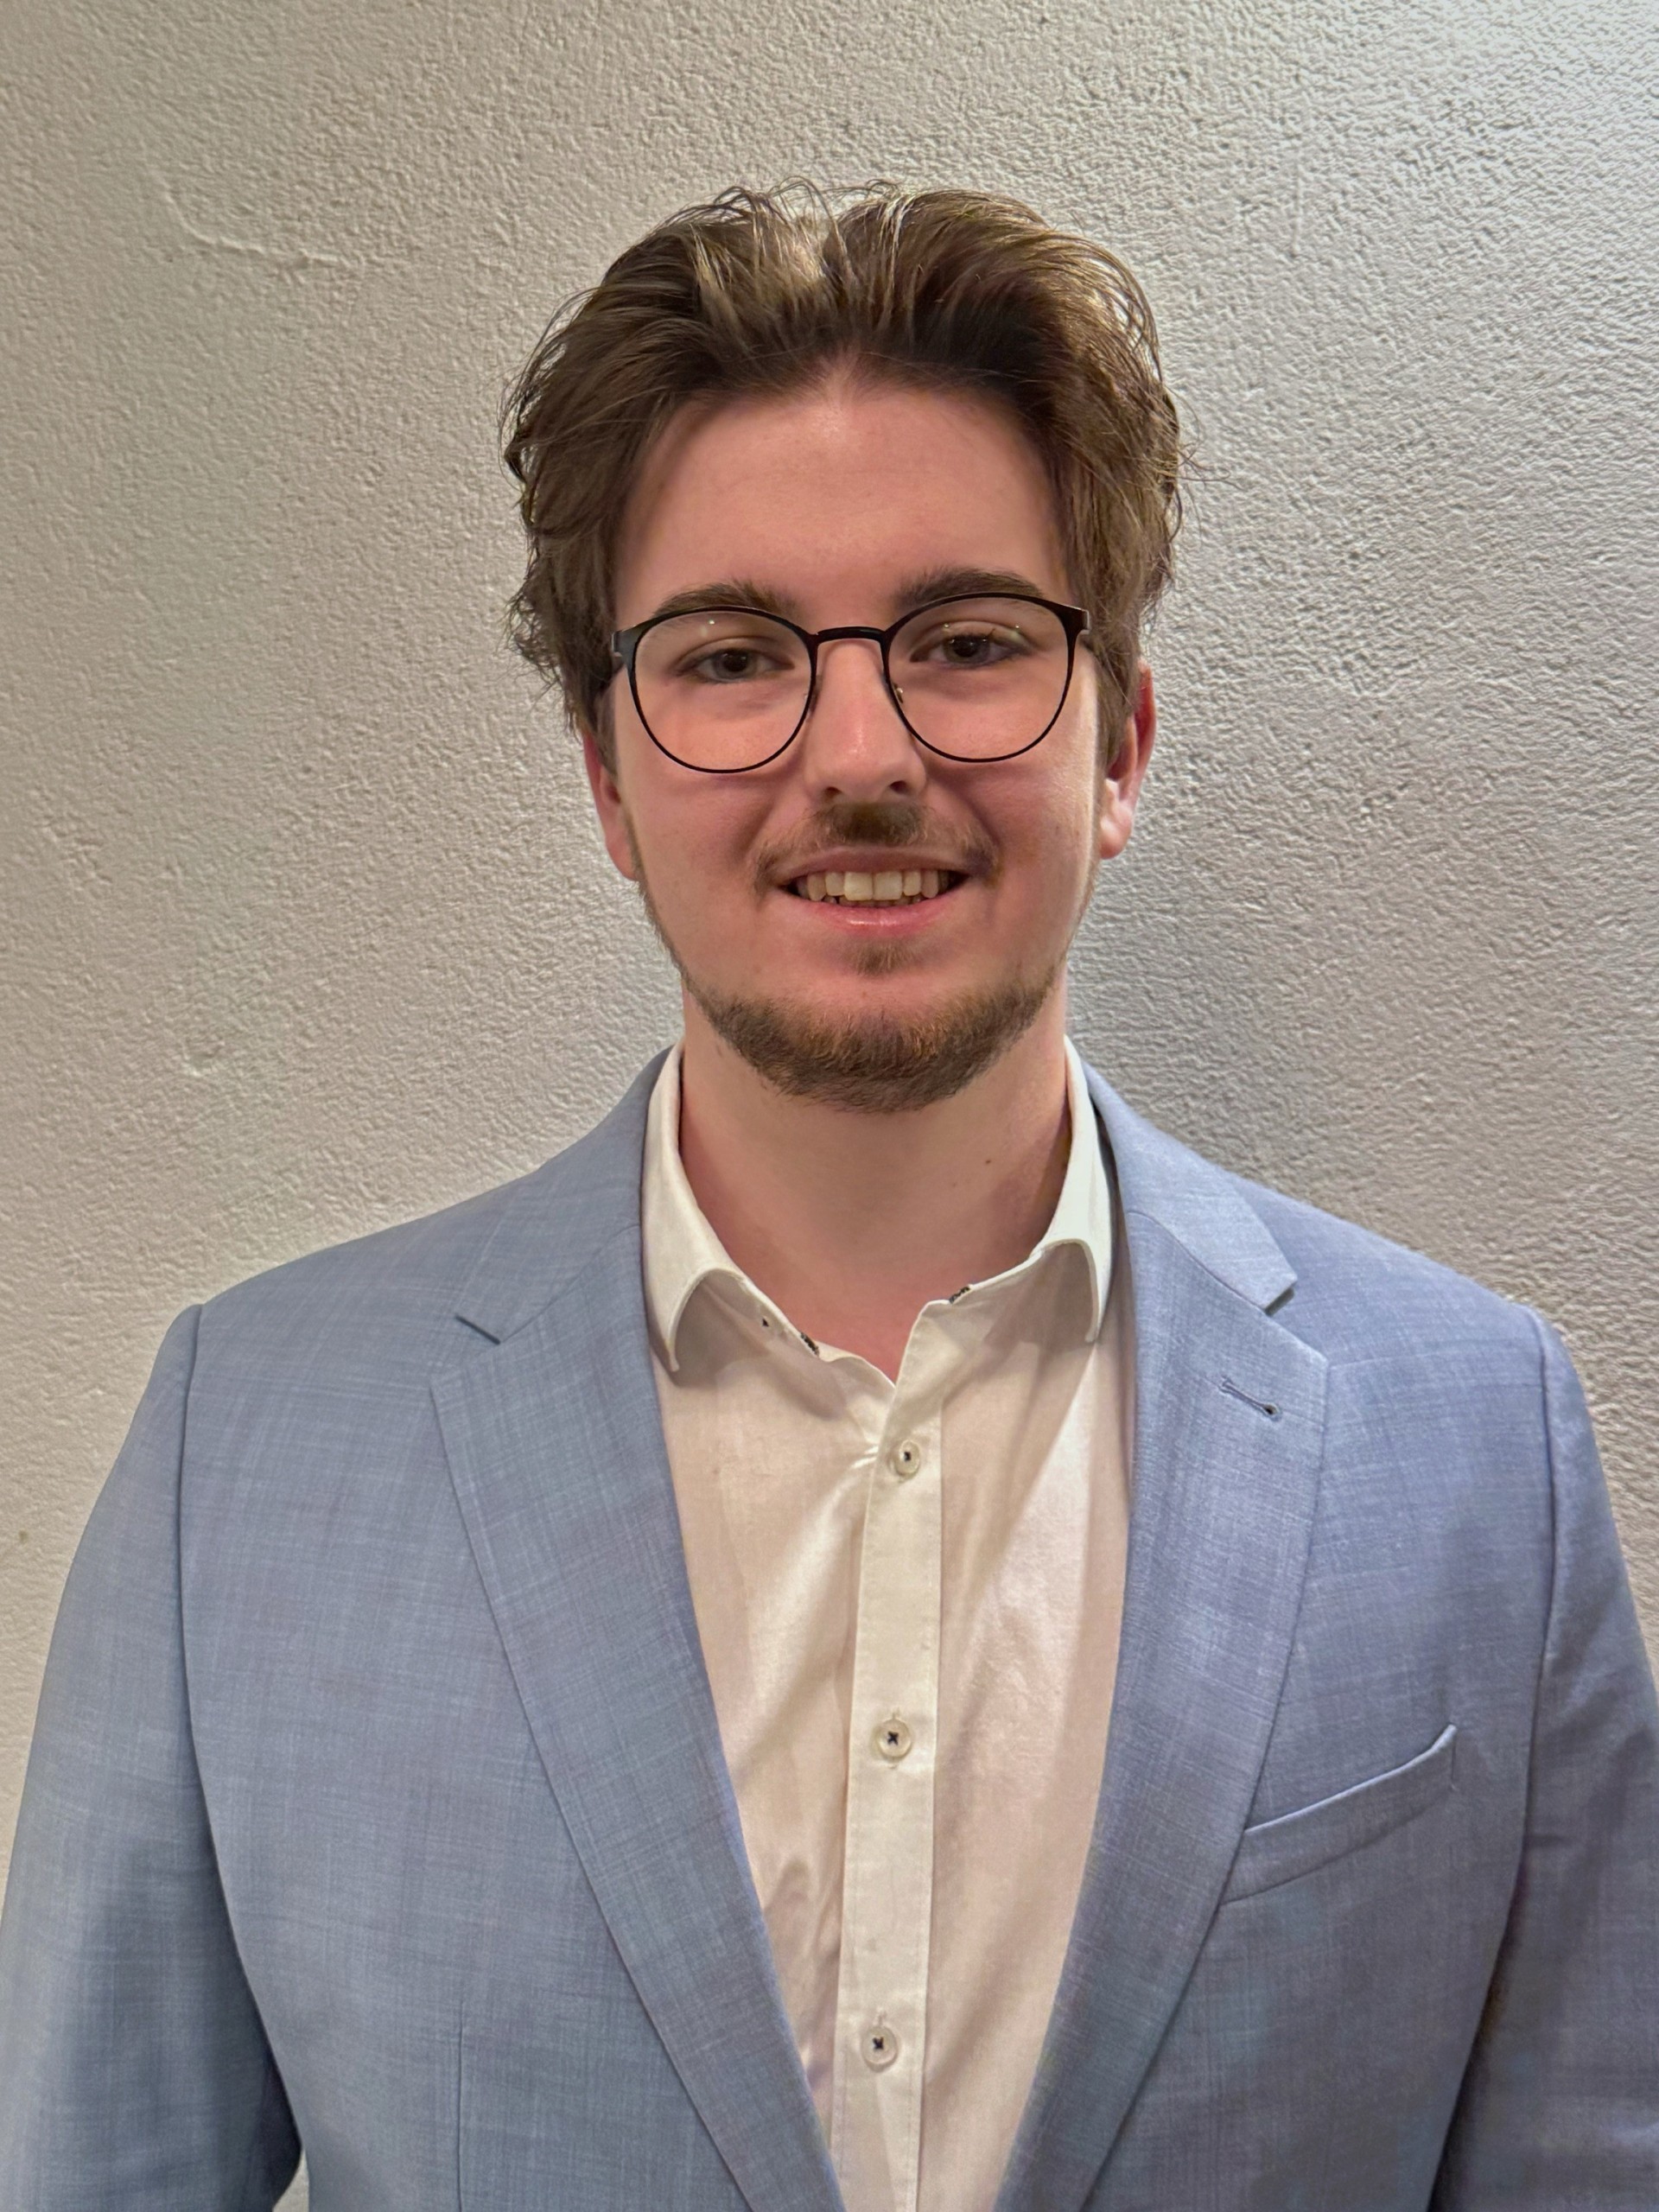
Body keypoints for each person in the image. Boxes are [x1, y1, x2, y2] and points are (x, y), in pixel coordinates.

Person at [0, 183, 1654, 2212]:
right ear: (607, 775)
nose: (861, 750)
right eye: (733, 655)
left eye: (968, 642)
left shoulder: (1481, 1449)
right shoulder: (244, 1456)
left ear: (1121, 744)